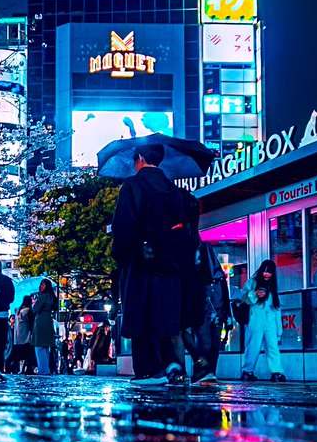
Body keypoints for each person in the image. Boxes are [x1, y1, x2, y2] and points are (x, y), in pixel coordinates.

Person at [111, 143, 197, 387]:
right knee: (165, 315)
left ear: (139, 158)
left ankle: (149, 370)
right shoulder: (174, 190)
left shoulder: (133, 185)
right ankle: (170, 364)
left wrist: (120, 255)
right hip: (171, 263)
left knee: (141, 314)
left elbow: (123, 226)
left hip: (141, 261)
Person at [183, 240, 232, 385]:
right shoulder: (211, 276)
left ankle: (207, 372)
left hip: (213, 313)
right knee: (207, 344)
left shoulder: (214, 277)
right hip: (206, 314)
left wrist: (226, 314)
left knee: (212, 345)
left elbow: (225, 296)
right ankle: (205, 372)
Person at [240, 259, 286, 382]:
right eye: (265, 271)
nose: (267, 274)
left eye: (269, 272)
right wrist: (254, 294)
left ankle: (276, 372)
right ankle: (247, 371)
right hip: (256, 317)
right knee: (253, 346)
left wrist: (279, 330)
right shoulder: (253, 282)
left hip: (269, 318)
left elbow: (277, 308)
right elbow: (242, 298)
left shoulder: (273, 286)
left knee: (272, 346)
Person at [31, 279, 57, 375]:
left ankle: (43, 370)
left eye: (43, 284)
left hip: (40, 322)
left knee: (39, 347)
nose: (41, 286)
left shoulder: (42, 297)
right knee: (45, 347)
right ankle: (45, 369)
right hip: (48, 322)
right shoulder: (51, 297)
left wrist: (34, 302)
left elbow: (34, 309)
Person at [9, 295, 35, 374]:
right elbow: (31, 323)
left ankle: (15, 369)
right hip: (26, 336)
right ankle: (29, 369)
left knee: (18, 355)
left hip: (18, 336)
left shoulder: (18, 311)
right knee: (29, 354)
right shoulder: (28, 310)